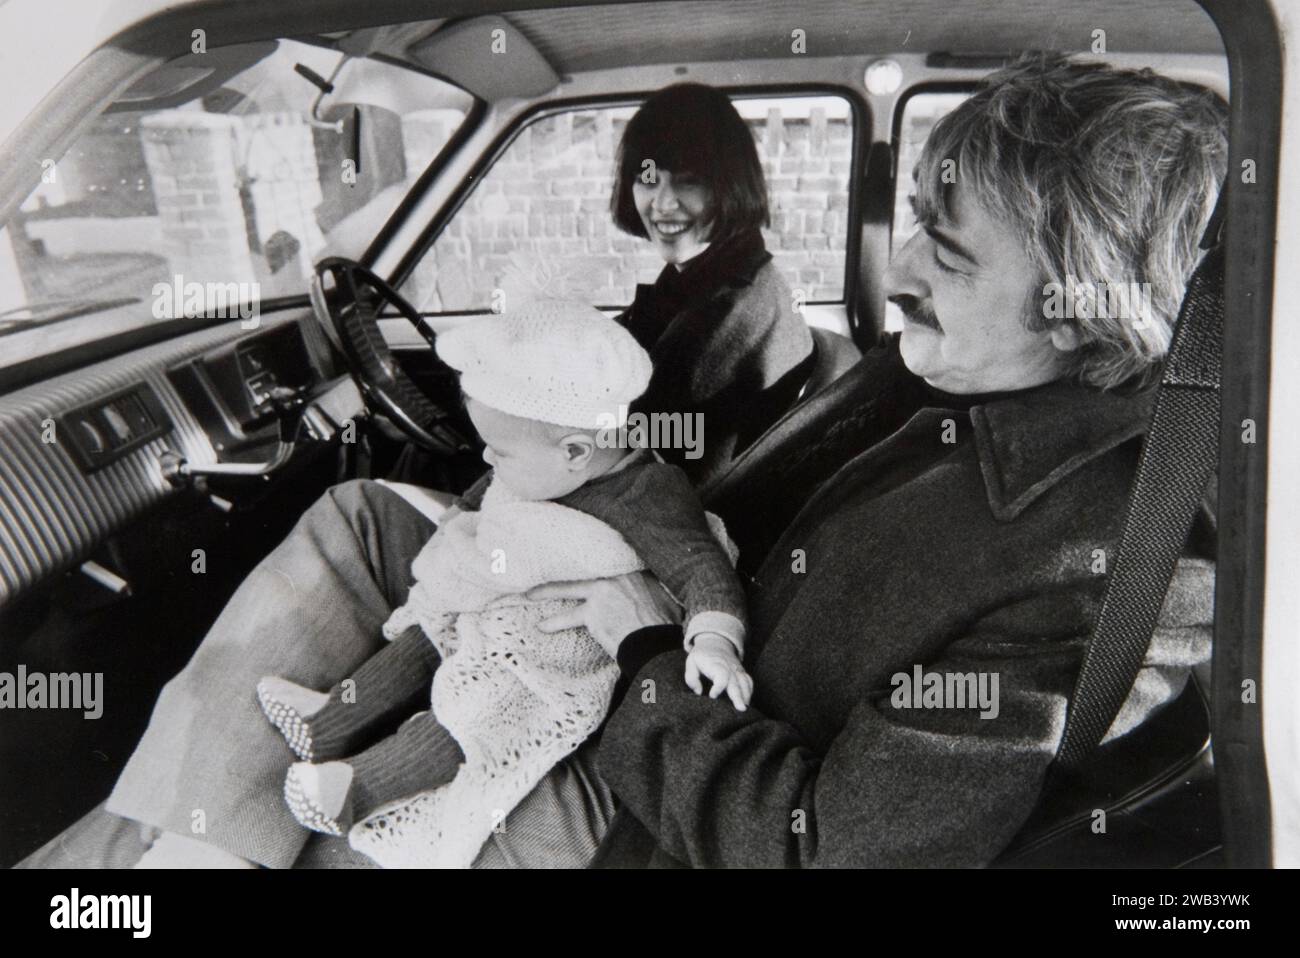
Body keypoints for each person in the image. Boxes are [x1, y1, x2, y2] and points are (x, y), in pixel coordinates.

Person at [16, 54, 1221, 869]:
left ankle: (145, 863)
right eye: (913, 221)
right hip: (658, 594)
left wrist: (647, 640)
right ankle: (171, 843)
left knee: (235, 831)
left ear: (1078, 306)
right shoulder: (942, 381)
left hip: (641, 781)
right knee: (358, 521)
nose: (895, 271)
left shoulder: (1116, 571)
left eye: (946, 255)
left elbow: (812, 846)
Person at [253, 303, 751, 868]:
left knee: (481, 711)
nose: (487, 456)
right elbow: (489, 491)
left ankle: (359, 787)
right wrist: (456, 523)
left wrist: (713, 641)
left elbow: (703, 569)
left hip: (546, 653)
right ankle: (330, 720)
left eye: (500, 448)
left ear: (575, 453)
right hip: (490, 599)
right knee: (428, 633)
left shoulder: (651, 496)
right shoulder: (549, 461)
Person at [608, 82, 814, 484]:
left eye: (688, 181)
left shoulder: (732, 307)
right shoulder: (706, 278)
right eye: (648, 179)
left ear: (730, 187)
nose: (663, 204)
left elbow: (647, 444)